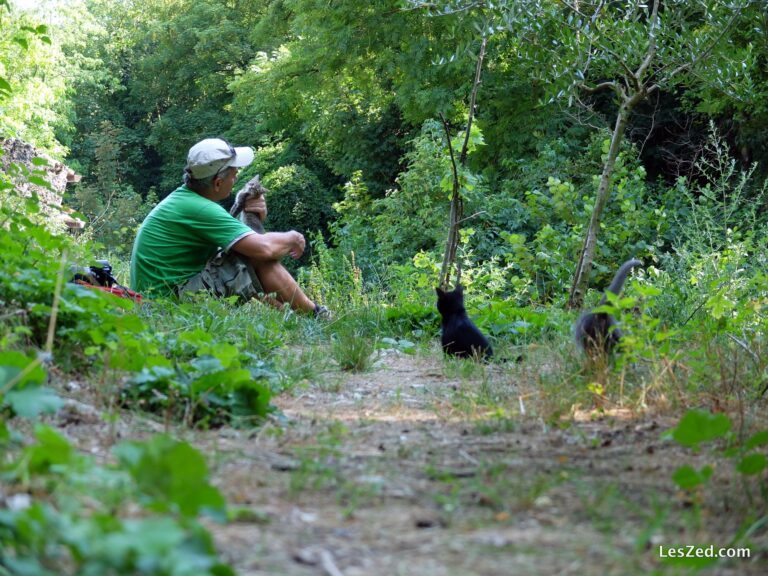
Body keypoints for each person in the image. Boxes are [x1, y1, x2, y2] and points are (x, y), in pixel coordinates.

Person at [130, 137, 328, 317]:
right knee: (254, 256)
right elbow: (264, 249)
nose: (237, 177)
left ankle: (294, 316)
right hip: (166, 307)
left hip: (157, 301)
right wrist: (293, 237)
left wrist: (256, 217)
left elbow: (236, 255)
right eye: (234, 173)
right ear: (218, 183)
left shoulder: (185, 200)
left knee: (245, 253)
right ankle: (316, 315)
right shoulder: (200, 209)